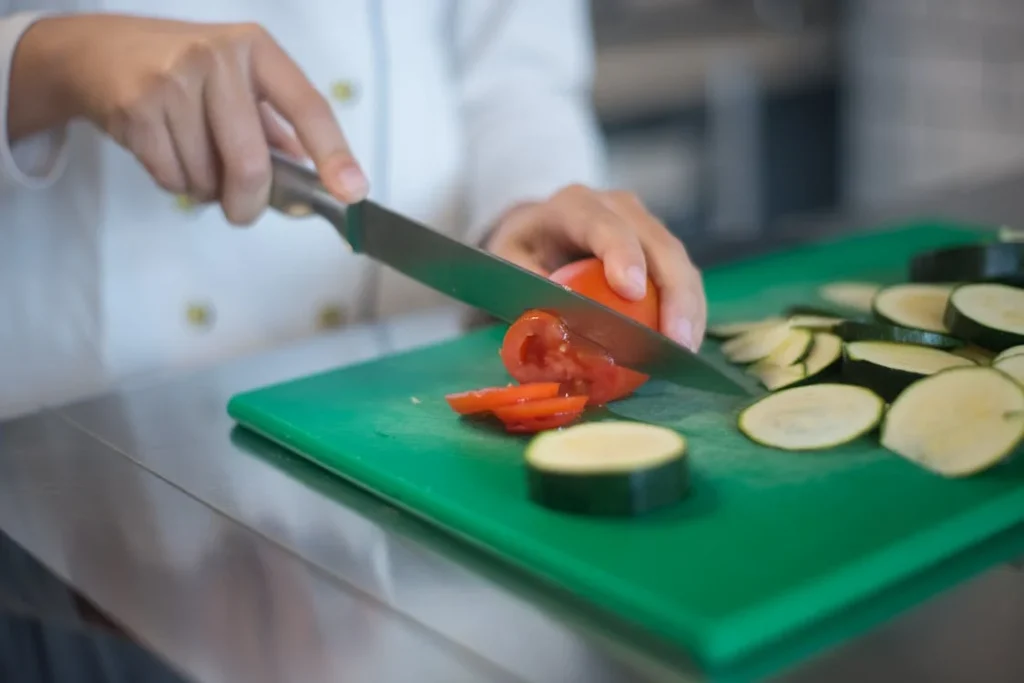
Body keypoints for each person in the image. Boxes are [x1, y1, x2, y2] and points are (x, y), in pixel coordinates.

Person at [0, 2, 707, 421]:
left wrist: (528, 203)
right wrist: (46, 58)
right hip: (80, 433)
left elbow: (516, 72)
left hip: (400, 389)